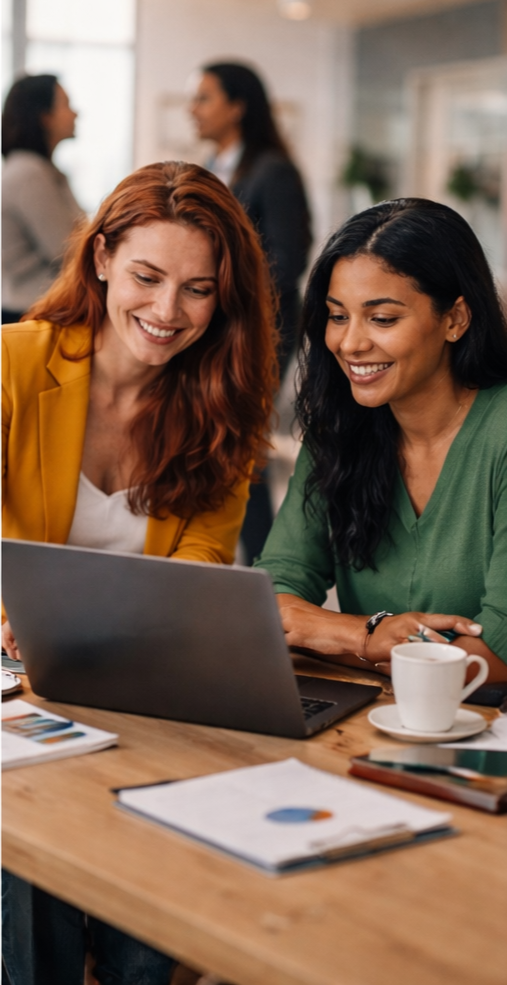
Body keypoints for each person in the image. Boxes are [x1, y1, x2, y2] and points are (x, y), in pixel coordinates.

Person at [2, 160, 278, 984]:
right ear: (100, 260)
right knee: (30, 836)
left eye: (197, 290)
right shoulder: (14, 365)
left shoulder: (226, 401)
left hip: (142, 690)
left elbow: (199, 565)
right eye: (147, 277)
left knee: (179, 837)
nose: (167, 312)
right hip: (16, 690)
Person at [257, 198, 507, 681]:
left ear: (455, 318)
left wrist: (323, 633)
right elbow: (273, 596)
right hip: (368, 719)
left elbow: (496, 654)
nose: (350, 344)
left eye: (383, 319)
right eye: (337, 316)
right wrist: (366, 637)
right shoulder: (339, 428)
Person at [190, 60, 312, 564]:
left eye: (204, 98)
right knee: (223, 441)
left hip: (259, 329)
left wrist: (222, 293)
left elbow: (288, 259)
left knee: (243, 444)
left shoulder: (272, 170)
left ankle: (266, 569)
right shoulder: (215, 166)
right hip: (212, 325)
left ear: (237, 107)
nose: (193, 109)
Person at [2, 73, 83, 323]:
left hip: (34, 306)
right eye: (66, 105)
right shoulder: (30, 174)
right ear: (44, 117)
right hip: (29, 311)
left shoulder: (42, 170)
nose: (75, 114)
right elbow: (68, 250)